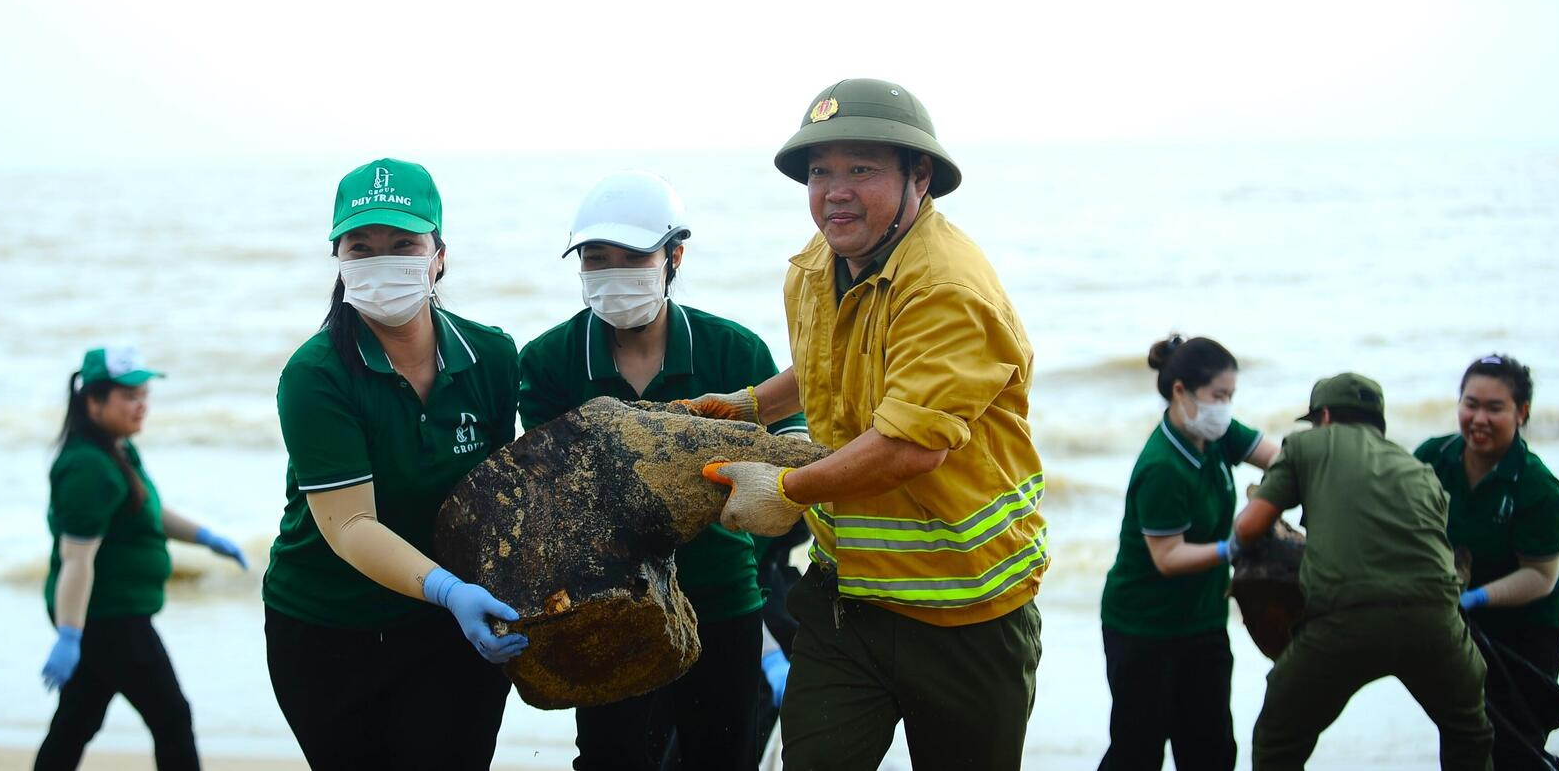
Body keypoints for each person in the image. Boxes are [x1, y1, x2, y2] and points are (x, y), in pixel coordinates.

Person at [694, 78, 1047, 771]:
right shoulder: (814, 267)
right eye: (820, 171)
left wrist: (787, 489)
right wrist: (748, 406)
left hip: (965, 612)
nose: (834, 191)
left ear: (920, 176)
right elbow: (830, 363)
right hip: (841, 597)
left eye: (861, 168)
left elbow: (910, 447)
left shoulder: (946, 287)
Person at [519, 170, 808, 771]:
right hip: (605, 607)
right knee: (611, 757)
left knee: (722, 756)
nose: (613, 273)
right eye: (597, 259)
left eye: (633, 257)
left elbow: (791, 450)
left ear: (674, 256)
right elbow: (555, 491)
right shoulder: (549, 361)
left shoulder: (734, 350)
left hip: (724, 598)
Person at [262, 158, 526, 771]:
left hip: (450, 631)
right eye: (362, 247)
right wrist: (450, 589)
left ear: (438, 254)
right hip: (329, 629)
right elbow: (350, 526)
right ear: (339, 258)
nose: (383, 262)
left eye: (403, 244)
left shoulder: (490, 356)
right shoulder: (315, 375)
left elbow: (505, 491)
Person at [1234, 373, 1493, 771]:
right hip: (1436, 622)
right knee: (1469, 735)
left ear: (1323, 416)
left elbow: (1249, 527)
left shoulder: (1306, 444)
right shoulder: (1418, 470)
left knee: (1277, 740)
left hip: (1344, 620)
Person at [36, 346, 250, 771]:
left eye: (145, 395)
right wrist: (69, 635)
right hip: (109, 618)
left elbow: (149, 511)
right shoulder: (86, 468)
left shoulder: (115, 448)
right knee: (172, 717)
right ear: (93, 402)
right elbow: (77, 559)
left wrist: (206, 537)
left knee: (77, 720)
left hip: (107, 616)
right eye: (129, 397)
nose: (142, 407)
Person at [1097, 333, 1279, 771]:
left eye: (1231, 396)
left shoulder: (1216, 432)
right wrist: (1235, 545)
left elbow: (1280, 461)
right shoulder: (1162, 466)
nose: (1226, 407)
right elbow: (1168, 558)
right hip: (1142, 628)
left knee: (1212, 751)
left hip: (1204, 622)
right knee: (1136, 752)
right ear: (1181, 391)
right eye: (1219, 395)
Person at [1415, 354, 1559, 768]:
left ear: (1522, 413)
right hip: (1458, 629)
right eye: (1471, 404)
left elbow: (1540, 576)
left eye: (1494, 408)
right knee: (1464, 739)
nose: (1478, 418)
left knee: (1517, 748)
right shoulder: (1433, 458)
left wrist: (1476, 598)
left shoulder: (1538, 487)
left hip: (1527, 633)